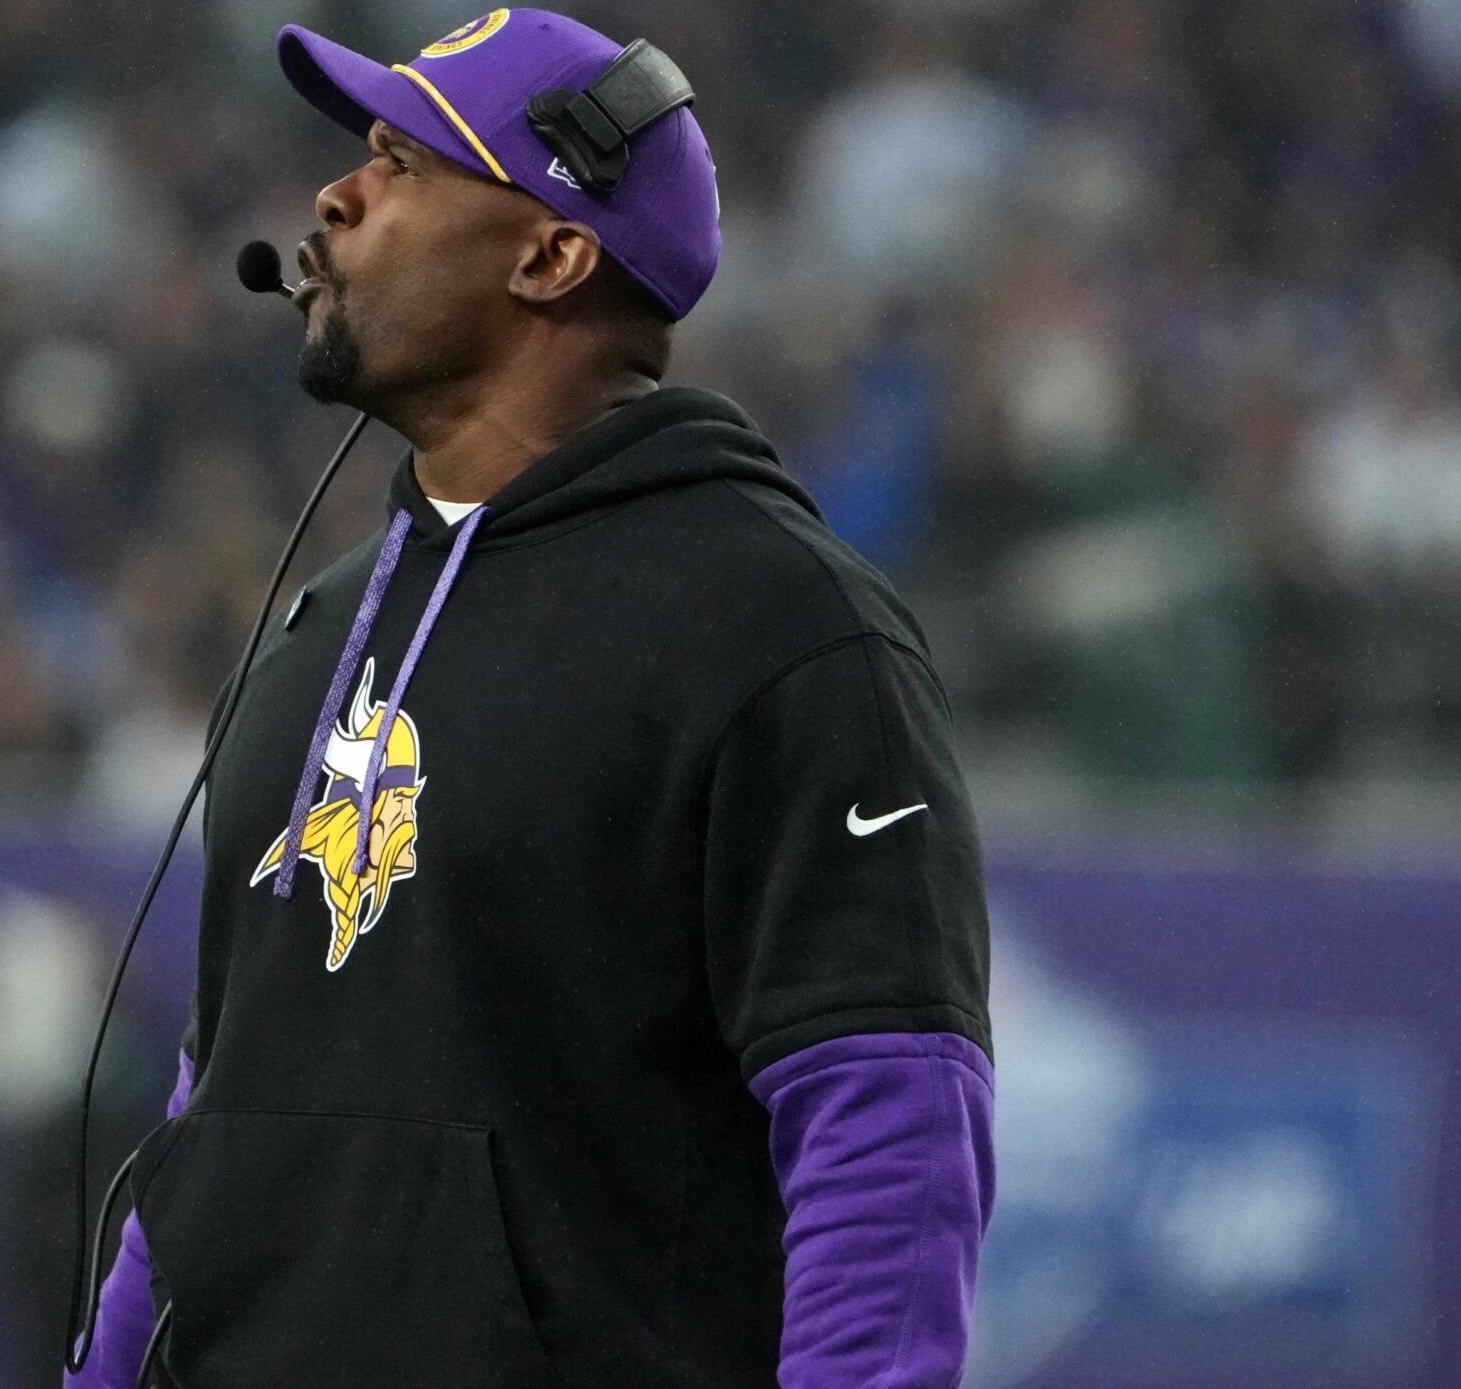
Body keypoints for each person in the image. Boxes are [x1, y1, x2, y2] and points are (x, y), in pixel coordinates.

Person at [73, 10, 994, 1387]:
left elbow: (884, 1126)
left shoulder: (781, 629)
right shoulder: (312, 635)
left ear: (553, 250)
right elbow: (219, 1107)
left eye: (401, 162)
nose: (336, 195)